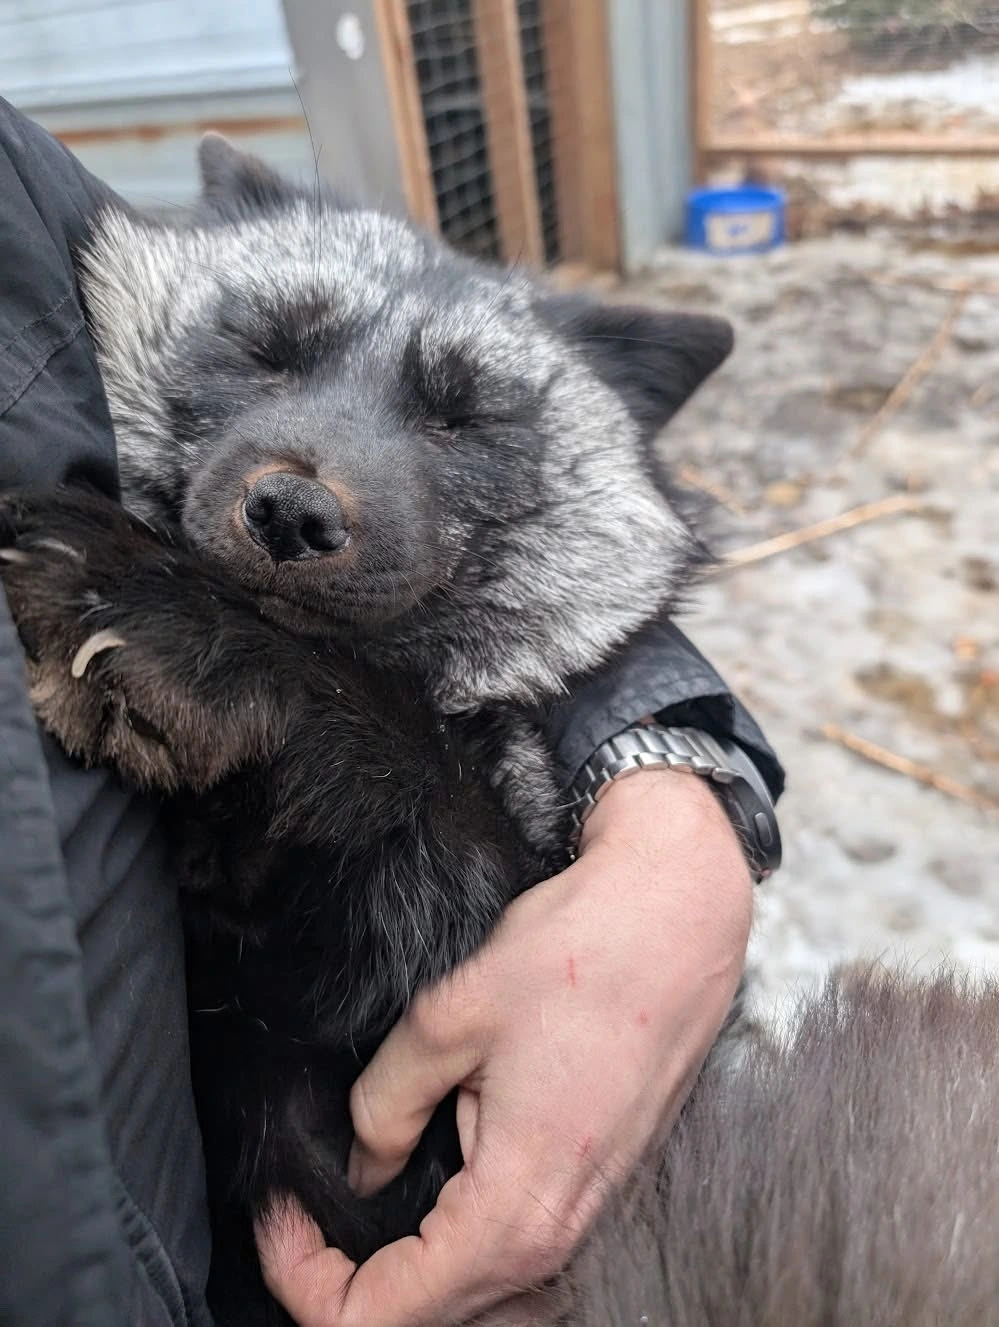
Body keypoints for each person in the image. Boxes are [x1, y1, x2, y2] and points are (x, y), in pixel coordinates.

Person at [0, 98, 783, 1327]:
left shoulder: (27, 218)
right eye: (266, 354)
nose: (307, 487)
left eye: (460, 428)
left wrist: (670, 787)